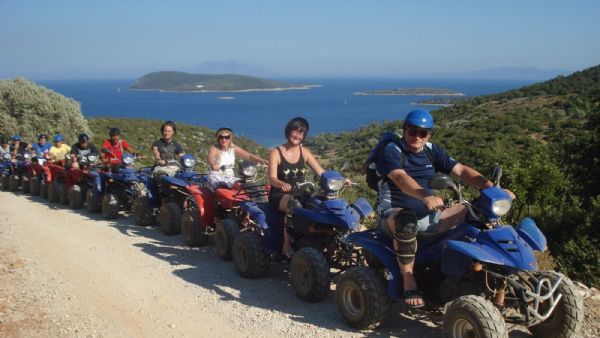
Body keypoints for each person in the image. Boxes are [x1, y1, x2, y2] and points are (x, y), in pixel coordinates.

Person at [375, 109, 516, 308]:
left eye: (422, 133)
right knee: (406, 221)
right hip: (391, 215)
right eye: (412, 131)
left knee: (478, 212)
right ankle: (408, 281)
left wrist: (493, 190)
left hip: (429, 215)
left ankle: (491, 278)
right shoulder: (393, 150)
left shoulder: (432, 150)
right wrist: (426, 196)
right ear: (405, 129)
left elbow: (461, 170)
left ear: (428, 134)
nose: (417, 137)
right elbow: (400, 177)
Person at [268, 117, 326, 258]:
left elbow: (321, 172)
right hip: (280, 194)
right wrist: (283, 184)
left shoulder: (304, 152)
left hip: (302, 192)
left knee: (322, 203)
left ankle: (321, 241)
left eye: (301, 133)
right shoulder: (276, 152)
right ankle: (286, 246)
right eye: (295, 131)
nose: (298, 136)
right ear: (288, 132)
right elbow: (272, 178)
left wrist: (339, 180)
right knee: (293, 204)